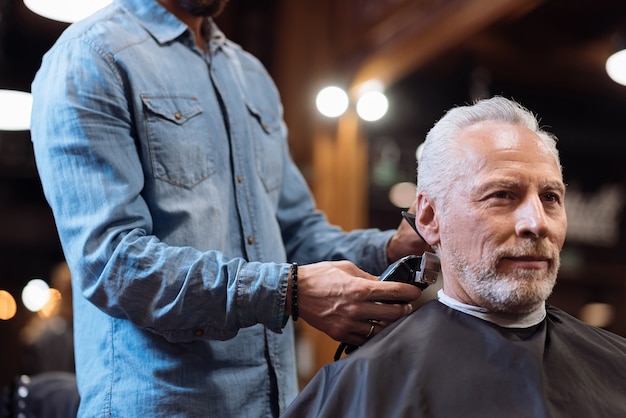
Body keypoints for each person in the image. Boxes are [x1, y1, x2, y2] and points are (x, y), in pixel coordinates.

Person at [29, 0, 428, 416]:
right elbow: (112, 264)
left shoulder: (250, 74)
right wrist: (287, 290)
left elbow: (295, 233)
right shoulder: (90, 56)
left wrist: (388, 250)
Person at [282, 96, 626, 418]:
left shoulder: (617, 366)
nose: (537, 223)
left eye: (550, 197)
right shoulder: (359, 384)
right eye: (503, 195)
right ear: (430, 218)